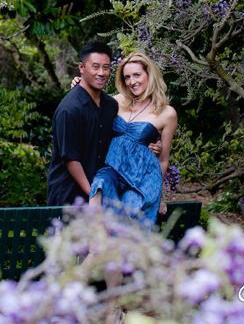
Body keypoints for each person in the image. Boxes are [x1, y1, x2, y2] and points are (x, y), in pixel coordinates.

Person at [47, 42, 162, 207]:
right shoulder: (70, 109)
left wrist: (151, 146)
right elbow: (71, 159)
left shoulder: (111, 105)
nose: (101, 73)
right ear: (82, 67)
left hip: (104, 194)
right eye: (95, 67)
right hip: (70, 198)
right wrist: (93, 194)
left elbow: (124, 139)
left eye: (106, 67)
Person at [88, 51, 177, 226]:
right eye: (127, 77)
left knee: (131, 207)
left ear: (149, 75)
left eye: (137, 75)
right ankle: (95, 246)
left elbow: (163, 160)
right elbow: (90, 102)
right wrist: (79, 83)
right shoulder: (119, 100)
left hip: (141, 179)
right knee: (100, 184)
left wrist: (159, 195)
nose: (132, 82)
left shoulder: (167, 113)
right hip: (114, 169)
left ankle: (123, 250)